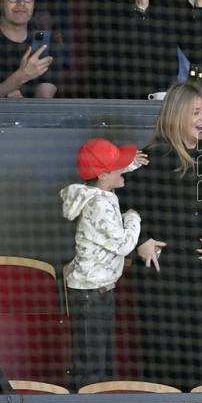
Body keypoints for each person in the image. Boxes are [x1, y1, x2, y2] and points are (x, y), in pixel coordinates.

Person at [117, 81, 202, 389]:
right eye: (196, 112)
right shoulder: (150, 158)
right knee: (162, 353)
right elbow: (121, 205)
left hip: (195, 268)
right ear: (175, 114)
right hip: (159, 270)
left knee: (197, 353)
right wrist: (141, 241)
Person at [61, 138, 148, 389]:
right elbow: (124, 245)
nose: (124, 169)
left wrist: (130, 164)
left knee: (101, 360)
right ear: (102, 175)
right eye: (119, 166)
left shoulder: (99, 193)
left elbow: (108, 175)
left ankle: (97, 402)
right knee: (92, 365)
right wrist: (133, 217)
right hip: (91, 295)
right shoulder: (99, 204)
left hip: (98, 290)